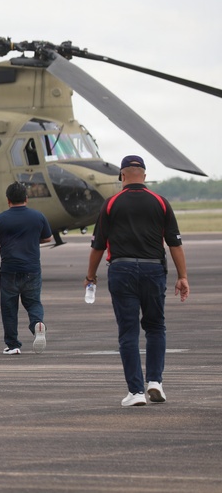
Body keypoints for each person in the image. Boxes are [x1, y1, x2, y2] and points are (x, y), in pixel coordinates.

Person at [85, 155, 190, 408]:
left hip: (121, 270)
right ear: (144, 175)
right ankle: (155, 382)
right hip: (154, 270)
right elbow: (174, 243)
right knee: (155, 326)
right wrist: (183, 276)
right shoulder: (160, 202)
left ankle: (136, 392)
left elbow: (98, 245)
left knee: (128, 331)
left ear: (122, 176)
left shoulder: (110, 204)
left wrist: (90, 276)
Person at [0, 182, 53, 355]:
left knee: (9, 307)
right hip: (32, 268)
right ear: (26, 198)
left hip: (9, 269)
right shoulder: (38, 216)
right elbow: (48, 238)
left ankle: (13, 345)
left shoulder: (0, 218)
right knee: (33, 302)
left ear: (8, 200)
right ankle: (37, 324)